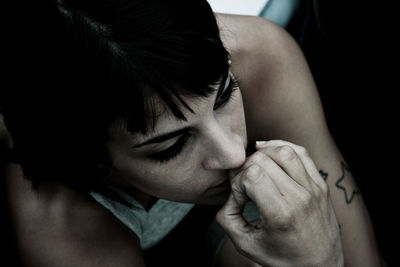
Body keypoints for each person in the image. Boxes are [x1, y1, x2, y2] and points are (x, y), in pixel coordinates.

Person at [0, 0, 386, 266]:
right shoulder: (63, 228)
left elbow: (364, 257)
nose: (234, 153)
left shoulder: (256, 54)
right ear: (93, 162)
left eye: (225, 95)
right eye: (171, 146)